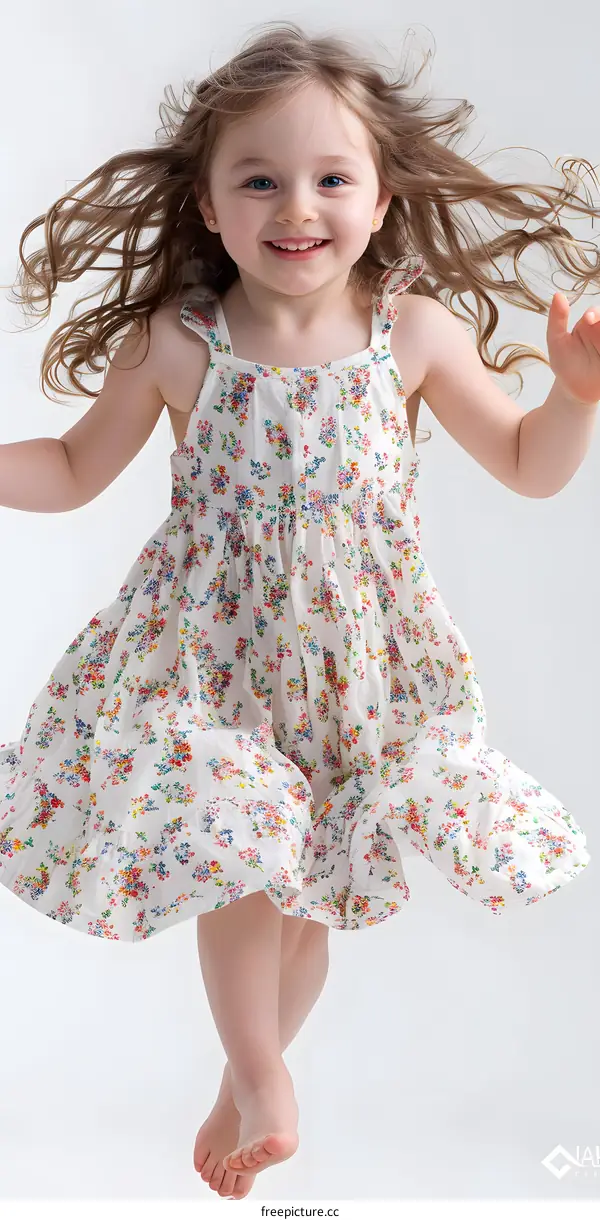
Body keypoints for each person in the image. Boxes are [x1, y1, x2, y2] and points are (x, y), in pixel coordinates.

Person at [0, 19, 598, 1200]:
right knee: (235, 841)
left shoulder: (410, 334)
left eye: (332, 177)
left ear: (381, 201)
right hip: (204, 659)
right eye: (260, 178)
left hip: (356, 675)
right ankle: (265, 1073)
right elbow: (72, 471)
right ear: (211, 206)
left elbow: (532, 464)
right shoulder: (181, 340)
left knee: (305, 894)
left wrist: (580, 398)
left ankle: (246, 1069)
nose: (298, 205)